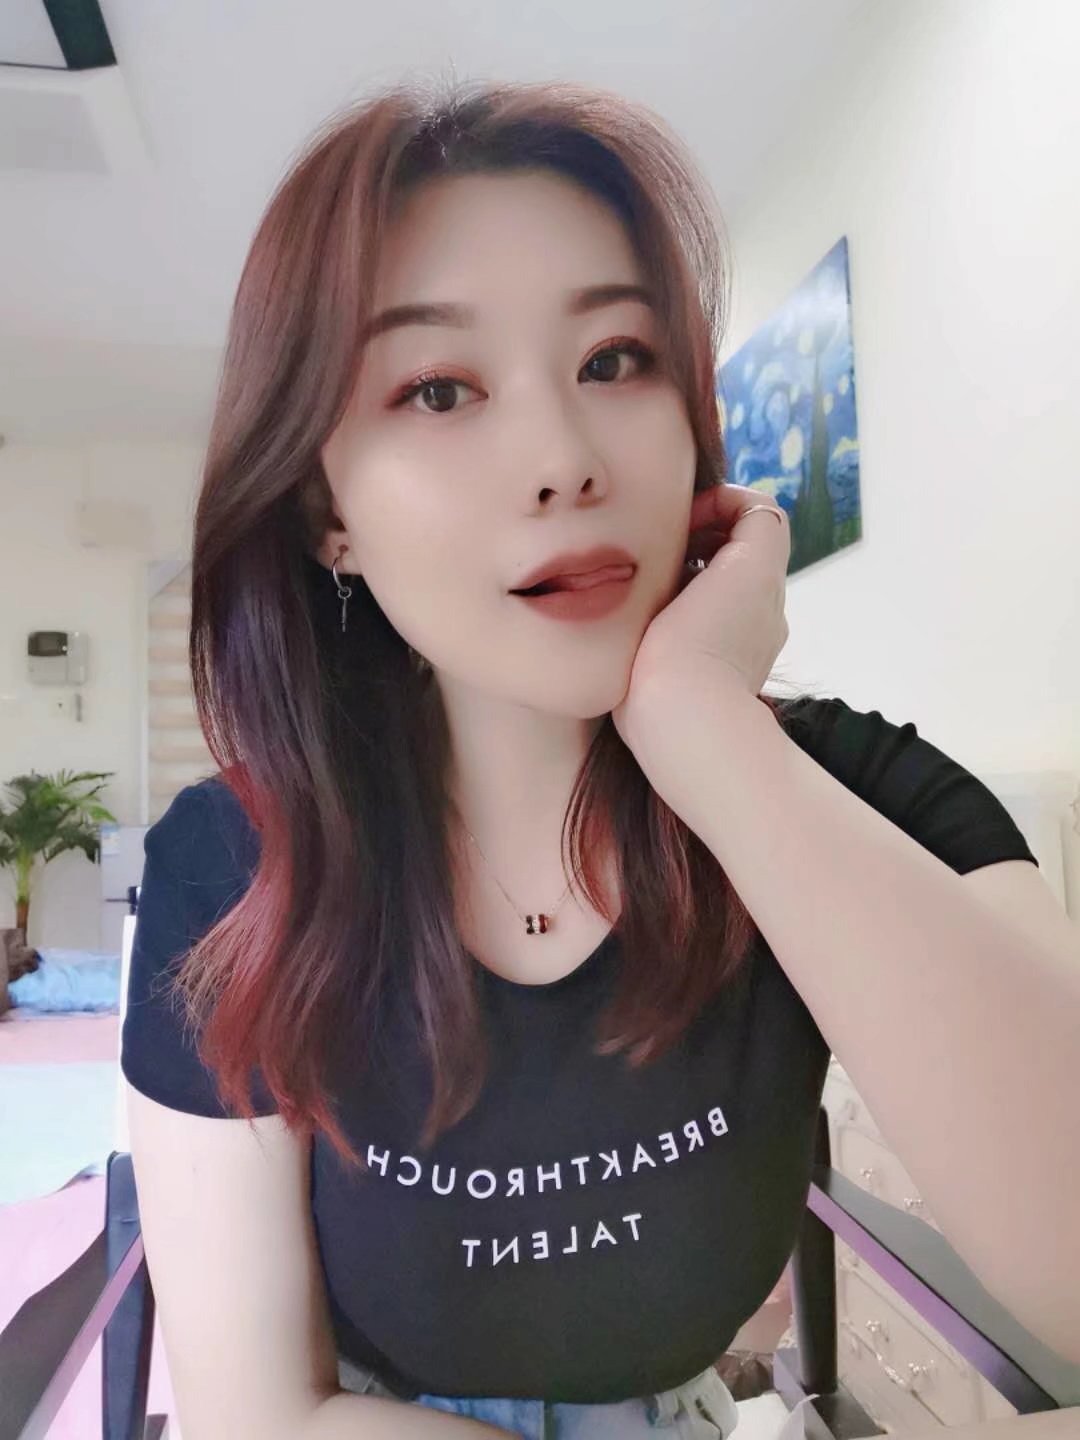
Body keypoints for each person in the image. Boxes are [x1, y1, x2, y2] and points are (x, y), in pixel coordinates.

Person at [121, 75, 1042, 1440]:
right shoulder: (231, 865)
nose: (562, 459)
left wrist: (711, 737)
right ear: (329, 516)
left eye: (615, 360)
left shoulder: (855, 799)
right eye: (440, 388)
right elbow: (261, 1414)